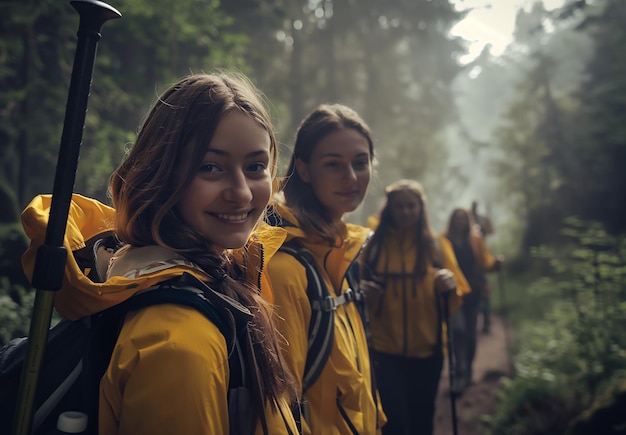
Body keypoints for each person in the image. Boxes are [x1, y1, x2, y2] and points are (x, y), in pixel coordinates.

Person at [23, 72, 300, 434]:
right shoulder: (179, 344)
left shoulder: (216, 276)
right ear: (161, 173)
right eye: (210, 167)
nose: (243, 193)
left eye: (255, 167)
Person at [265, 104, 385, 434]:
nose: (351, 177)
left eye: (360, 163)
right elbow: (282, 406)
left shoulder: (338, 253)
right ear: (303, 170)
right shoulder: (285, 268)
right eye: (334, 165)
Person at [359, 179, 470, 435]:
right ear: (390, 208)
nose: (406, 212)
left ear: (421, 208)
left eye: (411, 206)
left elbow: (454, 300)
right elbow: (352, 287)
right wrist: (362, 291)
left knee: (422, 419)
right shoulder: (373, 245)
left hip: (428, 350)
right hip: (384, 350)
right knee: (394, 423)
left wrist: (450, 286)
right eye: (399, 206)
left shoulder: (436, 245)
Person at [443, 207, 503, 395]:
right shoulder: (444, 240)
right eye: (457, 219)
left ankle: (468, 370)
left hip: (474, 292)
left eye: (463, 219)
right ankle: (459, 371)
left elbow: (485, 261)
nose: (460, 222)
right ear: (452, 221)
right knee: (458, 331)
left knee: (470, 333)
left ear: (467, 221)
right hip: (454, 294)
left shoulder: (476, 240)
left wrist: (495, 264)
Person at [471, 200, 495, 334]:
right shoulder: (467, 218)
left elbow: (491, 231)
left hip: (481, 257)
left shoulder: (482, 219)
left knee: (483, 290)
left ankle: (486, 321)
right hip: (469, 259)